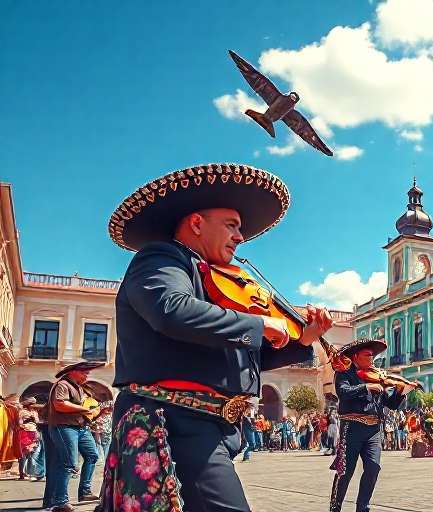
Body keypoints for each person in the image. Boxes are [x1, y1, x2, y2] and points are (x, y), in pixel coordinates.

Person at [96, 163, 333, 511]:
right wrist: (258, 325)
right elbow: (170, 309)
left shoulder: (218, 281)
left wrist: (303, 338)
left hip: (213, 426)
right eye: (232, 225)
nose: (240, 236)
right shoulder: (161, 258)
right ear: (196, 223)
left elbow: (246, 358)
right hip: (170, 419)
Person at [330, 339, 414, 512]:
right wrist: (366, 387)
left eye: (373, 355)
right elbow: (343, 392)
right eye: (368, 355)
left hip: (374, 430)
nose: (372, 359)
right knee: (345, 471)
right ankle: (335, 507)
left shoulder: (378, 376)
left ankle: (363, 507)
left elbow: (390, 403)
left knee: (373, 467)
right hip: (352, 426)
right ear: (356, 356)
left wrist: (401, 391)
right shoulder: (344, 372)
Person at [43, 361, 103, 511]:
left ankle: (85, 491)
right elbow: (59, 404)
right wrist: (84, 409)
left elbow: (81, 412)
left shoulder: (79, 388)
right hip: (64, 427)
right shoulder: (62, 384)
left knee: (92, 456)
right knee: (68, 464)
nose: (86, 376)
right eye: (84, 373)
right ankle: (60, 502)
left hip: (80, 428)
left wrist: (98, 412)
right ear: (73, 372)